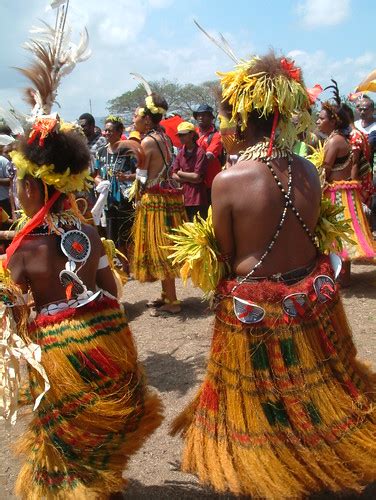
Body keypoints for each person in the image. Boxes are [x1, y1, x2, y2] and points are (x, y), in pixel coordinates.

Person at [171, 52, 376, 499]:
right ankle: (314, 449)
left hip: (255, 310)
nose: (225, 125)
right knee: (310, 385)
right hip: (311, 296)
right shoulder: (306, 168)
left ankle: (274, 462)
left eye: (227, 117)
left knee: (264, 395)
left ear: (242, 119)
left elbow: (226, 254)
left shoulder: (229, 180)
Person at [4, 115, 163, 498]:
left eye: (20, 183)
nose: (16, 190)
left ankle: (77, 487)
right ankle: (103, 481)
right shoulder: (89, 232)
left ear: (35, 188)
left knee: (64, 424)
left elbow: (17, 315)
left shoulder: (23, 250)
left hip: (59, 350)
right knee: (100, 412)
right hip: (105, 337)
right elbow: (112, 290)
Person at [131, 92, 187, 315]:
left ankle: (172, 301)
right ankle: (166, 295)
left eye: (135, 116)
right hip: (167, 199)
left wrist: (136, 197)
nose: (133, 120)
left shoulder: (146, 142)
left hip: (154, 200)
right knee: (165, 246)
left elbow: (141, 177)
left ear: (146, 119)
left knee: (161, 249)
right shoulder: (164, 139)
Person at [317, 97, 376, 286]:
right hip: (343, 192)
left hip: (338, 193)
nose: (318, 121)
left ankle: (342, 276)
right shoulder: (339, 138)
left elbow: (324, 170)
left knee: (338, 233)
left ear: (333, 121)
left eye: (321, 118)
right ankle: (343, 275)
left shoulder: (334, 141)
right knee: (342, 234)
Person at [94, 116, 137, 263]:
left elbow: (140, 174)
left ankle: (130, 263)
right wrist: (100, 182)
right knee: (112, 234)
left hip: (126, 199)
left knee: (127, 232)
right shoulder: (100, 152)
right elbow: (96, 174)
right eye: (105, 130)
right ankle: (119, 263)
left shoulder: (129, 151)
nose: (106, 133)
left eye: (110, 130)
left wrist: (127, 177)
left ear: (120, 131)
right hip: (108, 200)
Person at [171, 121, 208, 220]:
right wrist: (191, 179)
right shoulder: (180, 153)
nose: (181, 137)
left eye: (183, 135)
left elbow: (196, 176)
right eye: (179, 135)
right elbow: (173, 174)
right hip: (184, 197)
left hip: (198, 197)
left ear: (191, 134)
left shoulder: (200, 153)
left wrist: (180, 173)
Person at [194, 104, 223, 204]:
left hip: (210, 184)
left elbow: (209, 157)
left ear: (211, 118)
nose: (201, 117)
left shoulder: (216, 135)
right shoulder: (193, 133)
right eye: (199, 115)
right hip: (193, 184)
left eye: (204, 115)